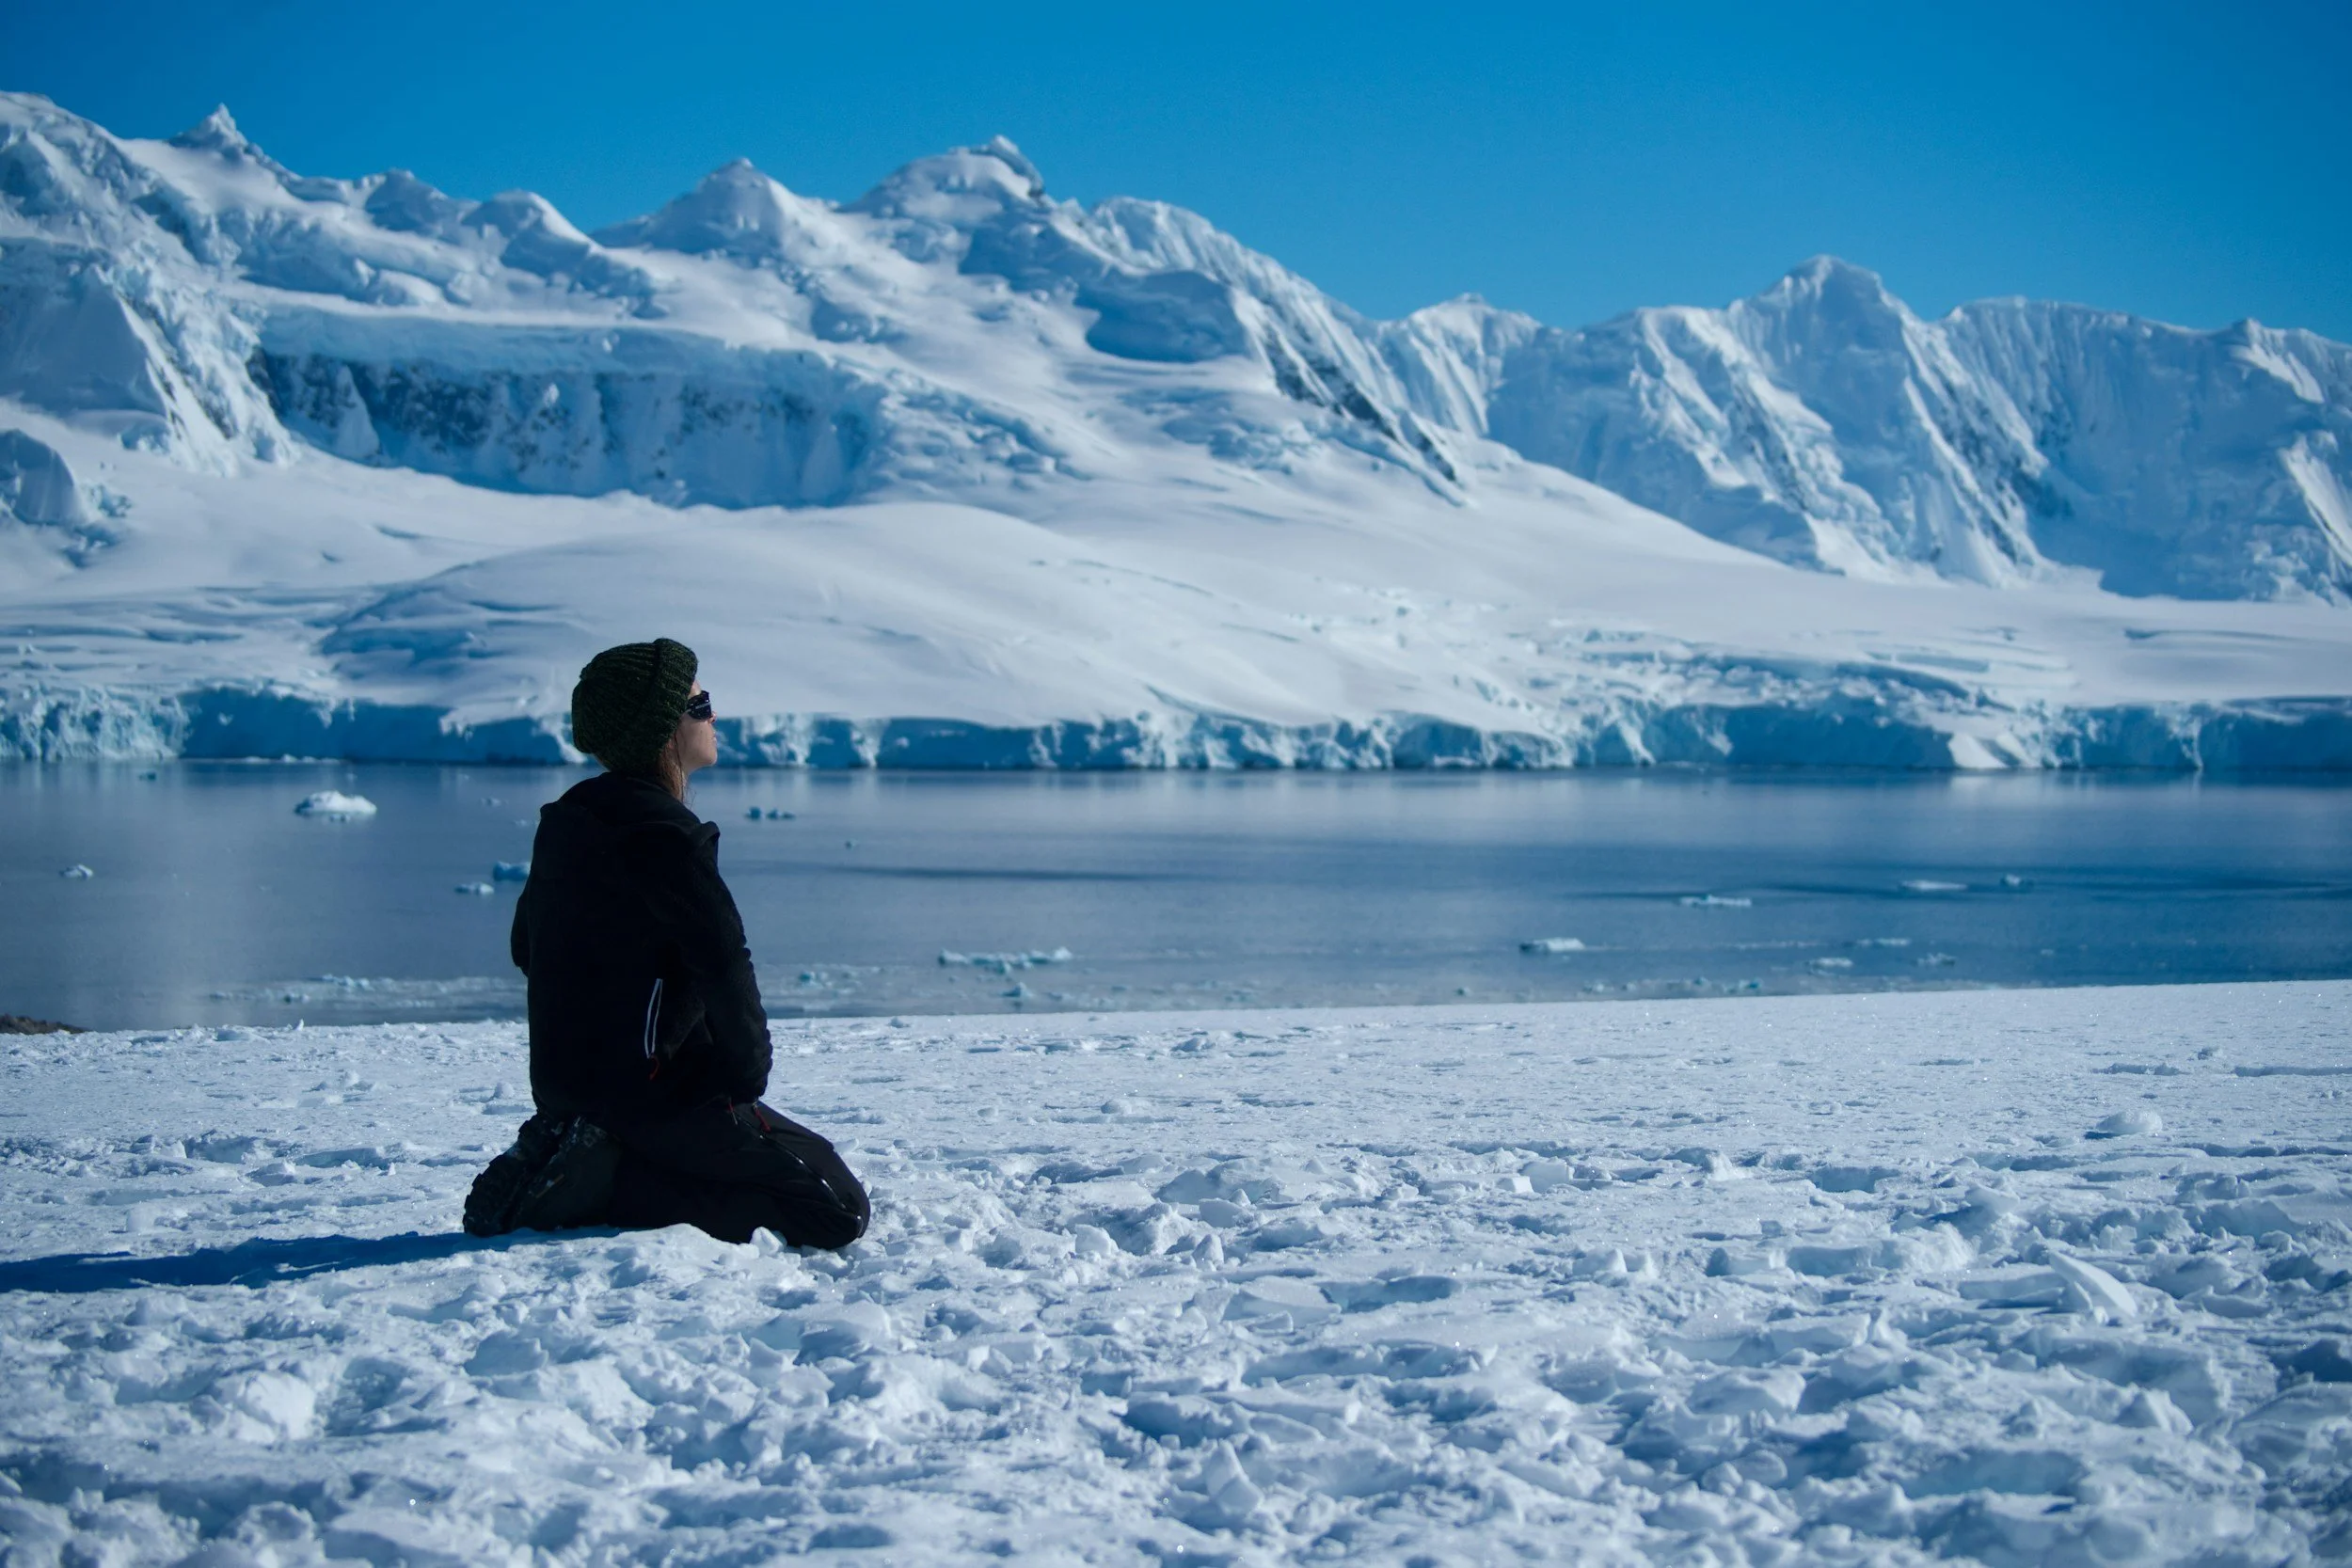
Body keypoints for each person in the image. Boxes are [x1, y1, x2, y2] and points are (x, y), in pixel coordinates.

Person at [463, 638, 869, 1249]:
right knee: (835, 1207)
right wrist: (740, 1081)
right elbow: (725, 964)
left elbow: (529, 946)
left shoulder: (570, 818)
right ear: (663, 730)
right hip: (655, 1098)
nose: (713, 714)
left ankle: (587, 1151)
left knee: (804, 1159)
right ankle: (606, 1184)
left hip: (571, 1092)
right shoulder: (665, 835)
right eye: (700, 704)